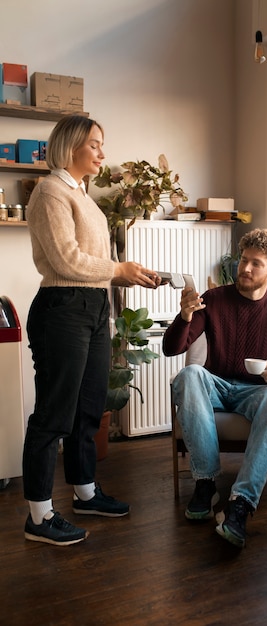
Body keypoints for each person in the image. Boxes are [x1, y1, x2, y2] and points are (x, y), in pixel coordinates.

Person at [23, 115, 162, 546]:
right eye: (95, 145)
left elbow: (94, 266)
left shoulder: (84, 196)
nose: (103, 153)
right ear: (71, 147)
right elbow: (66, 261)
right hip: (63, 310)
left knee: (88, 407)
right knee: (54, 414)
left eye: (103, 145)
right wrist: (117, 268)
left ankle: (85, 493)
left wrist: (129, 274)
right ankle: (39, 516)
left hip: (94, 308)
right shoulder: (50, 191)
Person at [163, 228, 267, 548]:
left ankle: (241, 503)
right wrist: (185, 315)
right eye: (244, 260)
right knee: (189, 375)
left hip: (256, 391)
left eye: (256, 264)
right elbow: (172, 348)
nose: (245, 268)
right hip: (215, 384)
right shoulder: (214, 300)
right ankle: (205, 484)